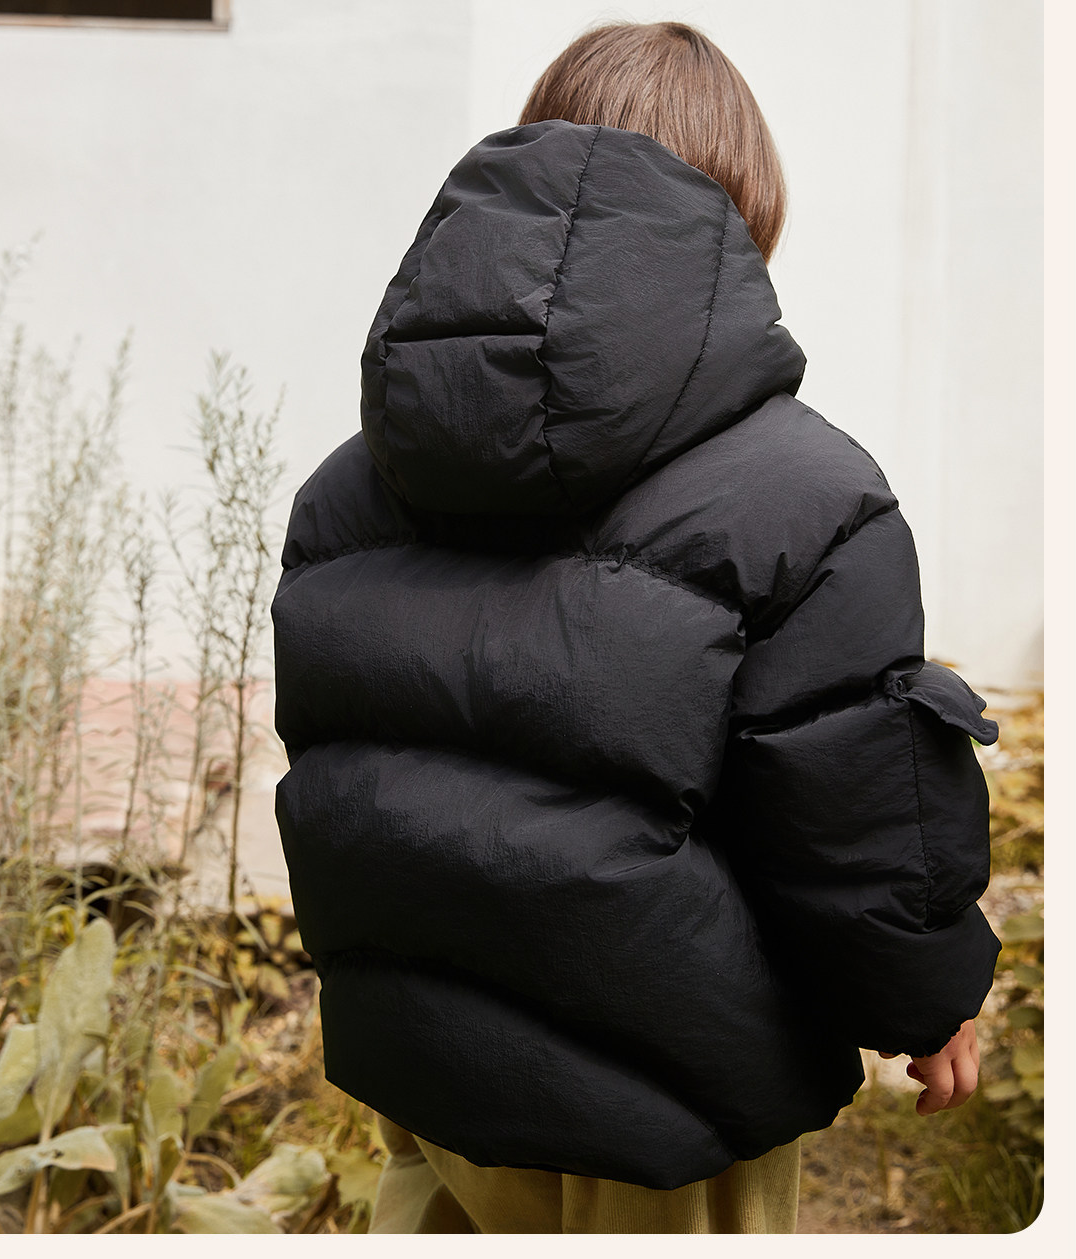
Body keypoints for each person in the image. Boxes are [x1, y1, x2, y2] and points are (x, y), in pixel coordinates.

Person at [270, 20, 1000, 1234]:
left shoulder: (351, 486)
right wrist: (927, 995)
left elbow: (348, 760)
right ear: (744, 212)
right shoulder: (809, 496)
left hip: (426, 1069)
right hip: (668, 1108)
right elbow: (855, 799)